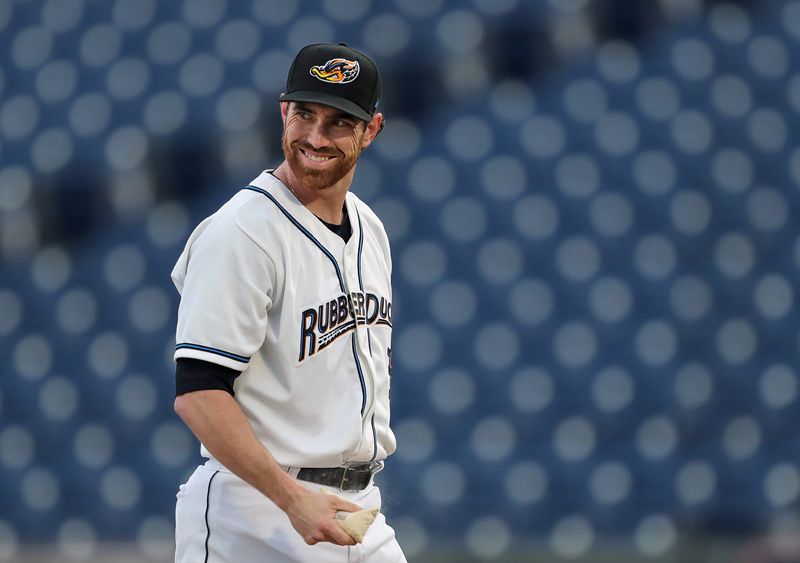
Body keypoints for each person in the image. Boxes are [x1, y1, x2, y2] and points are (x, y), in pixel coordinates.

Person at [171, 43, 407, 562]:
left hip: (357, 508)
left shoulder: (371, 228)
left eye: (339, 122)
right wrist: (290, 497)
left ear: (371, 131)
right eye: (305, 114)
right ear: (284, 112)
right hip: (254, 514)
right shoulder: (240, 233)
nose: (315, 137)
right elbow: (198, 394)